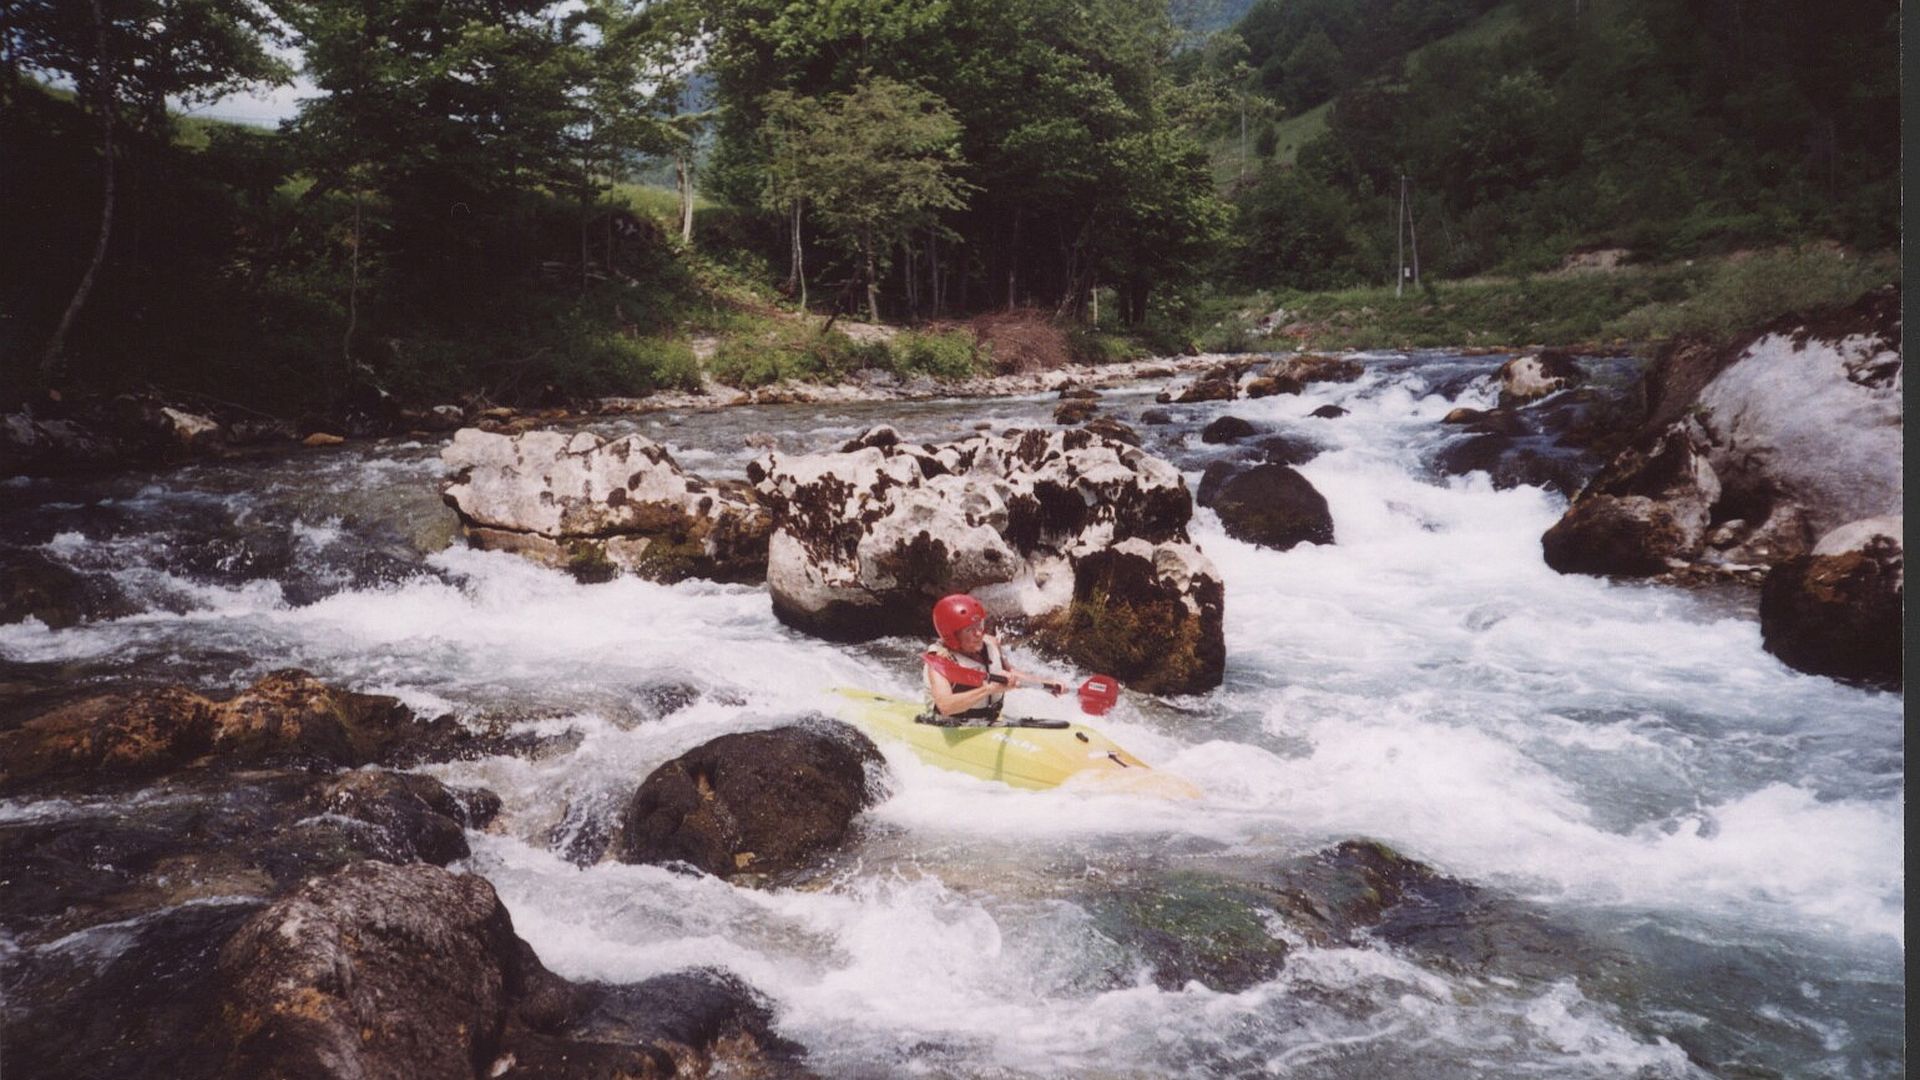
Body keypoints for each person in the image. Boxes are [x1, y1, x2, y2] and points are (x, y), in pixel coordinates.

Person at [922, 594, 1065, 724]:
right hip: (951, 725)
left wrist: (1047, 683)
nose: (979, 633)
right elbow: (946, 706)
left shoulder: (991, 643)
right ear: (951, 635)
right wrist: (988, 689)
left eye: (980, 625)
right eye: (969, 630)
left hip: (989, 720)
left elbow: (1010, 672)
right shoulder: (939, 661)